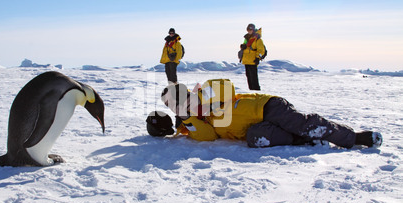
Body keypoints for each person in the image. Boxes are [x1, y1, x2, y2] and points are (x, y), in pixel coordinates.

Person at [157, 80, 383, 149]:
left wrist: (198, 103)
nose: (175, 106)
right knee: (257, 139)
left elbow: (227, 88)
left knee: (303, 124)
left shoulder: (204, 90)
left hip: (266, 107)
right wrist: (187, 118)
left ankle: (354, 138)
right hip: (253, 130)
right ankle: (306, 139)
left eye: (174, 100)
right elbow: (208, 137)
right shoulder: (193, 121)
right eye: (171, 106)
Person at [239, 23, 266, 91]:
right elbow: (246, 46)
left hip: (253, 60)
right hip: (246, 60)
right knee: (249, 77)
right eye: (248, 29)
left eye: (250, 29)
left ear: (253, 30)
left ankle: (257, 91)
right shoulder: (246, 38)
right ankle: (251, 91)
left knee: (253, 77)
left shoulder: (258, 39)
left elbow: (261, 50)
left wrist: (257, 58)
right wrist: (243, 46)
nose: (249, 31)